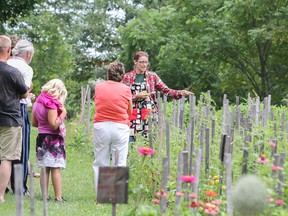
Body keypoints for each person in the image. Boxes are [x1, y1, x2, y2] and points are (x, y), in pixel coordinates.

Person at [122, 51, 193, 141]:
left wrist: (180, 93)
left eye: (146, 62)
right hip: (133, 115)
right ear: (135, 62)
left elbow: (166, 90)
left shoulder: (152, 76)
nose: (144, 65)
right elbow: (122, 97)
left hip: (149, 114)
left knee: (149, 141)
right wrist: (136, 96)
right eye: (141, 62)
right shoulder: (127, 77)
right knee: (131, 141)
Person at [92, 62, 132, 195]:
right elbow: (129, 110)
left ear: (108, 73)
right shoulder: (126, 89)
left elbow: (97, 103)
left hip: (101, 125)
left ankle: (102, 193)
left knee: (101, 160)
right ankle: (117, 193)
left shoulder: (99, 87)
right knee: (120, 160)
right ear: (122, 75)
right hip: (120, 126)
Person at [0, 35, 29, 203]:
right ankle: (1, 195)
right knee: (6, 158)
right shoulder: (13, 72)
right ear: (9, 50)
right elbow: (24, 92)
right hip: (10, 120)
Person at [31, 79, 67, 202]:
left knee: (44, 168)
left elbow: (34, 123)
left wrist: (43, 123)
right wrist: (62, 114)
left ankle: (45, 196)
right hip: (53, 139)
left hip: (41, 137)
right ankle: (58, 197)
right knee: (55, 167)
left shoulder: (37, 103)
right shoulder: (51, 105)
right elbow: (53, 125)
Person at [8, 39, 35, 196]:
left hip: (3, 107)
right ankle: (20, 187)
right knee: (22, 148)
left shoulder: (7, 63)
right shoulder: (26, 68)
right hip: (19, 108)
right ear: (29, 54)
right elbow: (22, 90)